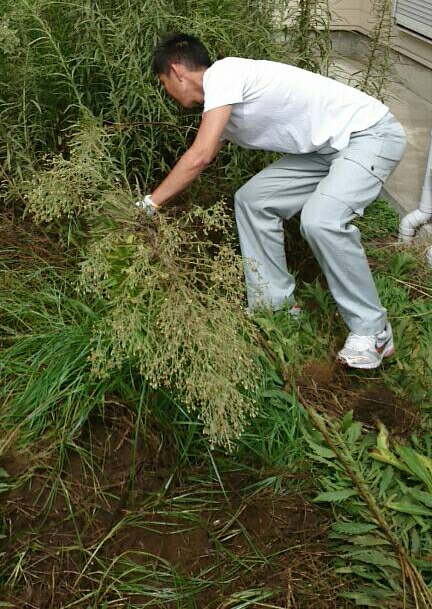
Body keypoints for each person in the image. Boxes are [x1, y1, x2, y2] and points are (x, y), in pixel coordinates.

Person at [139, 34, 407, 370]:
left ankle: (373, 331)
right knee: (253, 201)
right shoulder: (220, 103)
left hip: (369, 135)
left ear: (176, 71)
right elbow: (202, 153)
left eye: (163, 82)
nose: (166, 91)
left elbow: (200, 155)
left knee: (321, 220)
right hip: (326, 151)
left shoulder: (224, 75)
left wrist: (150, 203)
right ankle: (275, 307)